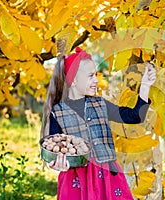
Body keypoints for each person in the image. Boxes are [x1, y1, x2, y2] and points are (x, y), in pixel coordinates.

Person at [40, 47, 156, 200]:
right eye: (90, 76)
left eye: (96, 75)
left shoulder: (101, 105)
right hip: (75, 180)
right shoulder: (57, 112)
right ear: (73, 80)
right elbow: (53, 150)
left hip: (108, 176)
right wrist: (56, 163)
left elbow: (135, 116)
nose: (96, 80)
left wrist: (145, 86)